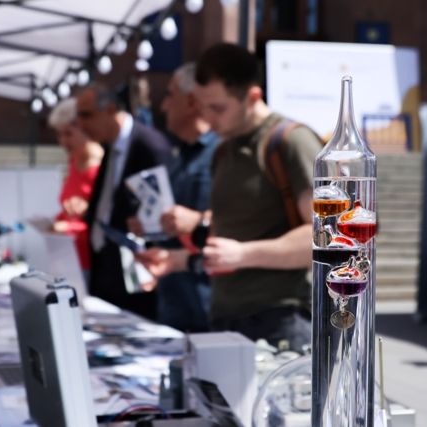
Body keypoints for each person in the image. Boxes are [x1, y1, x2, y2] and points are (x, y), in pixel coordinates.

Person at [138, 43, 322, 351]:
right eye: (202, 106)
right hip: (226, 316)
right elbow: (232, 236)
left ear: (252, 97)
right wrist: (177, 260)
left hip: (280, 319)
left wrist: (244, 254)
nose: (208, 118)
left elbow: (329, 236)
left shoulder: (290, 141)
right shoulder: (224, 150)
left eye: (218, 108)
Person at [128, 63, 219, 332]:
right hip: (174, 304)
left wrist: (199, 221)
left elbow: (248, 220)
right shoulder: (177, 156)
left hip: (210, 305)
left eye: (170, 95)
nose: (164, 105)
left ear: (191, 102)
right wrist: (150, 224)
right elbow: (174, 222)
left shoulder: (223, 153)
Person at [77, 83, 171, 319]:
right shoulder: (112, 146)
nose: (81, 124)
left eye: (86, 115)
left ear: (110, 109)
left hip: (136, 274)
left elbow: (161, 215)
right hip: (105, 266)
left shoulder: (149, 145)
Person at [48, 97, 104, 276]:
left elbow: (105, 222)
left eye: (68, 134)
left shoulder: (100, 167)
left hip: (93, 263)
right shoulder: (73, 161)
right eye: (59, 135)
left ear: (85, 129)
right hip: (69, 258)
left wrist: (68, 228)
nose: (63, 141)